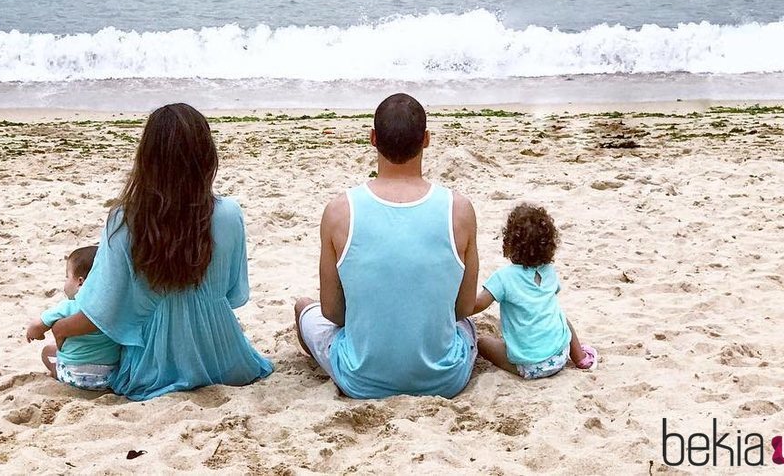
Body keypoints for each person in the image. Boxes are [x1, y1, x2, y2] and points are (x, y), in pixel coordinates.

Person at [47, 103, 273, 401]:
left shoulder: (125, 220)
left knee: (50, 353)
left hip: (155, 366)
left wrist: (60, 328)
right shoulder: (230, 214)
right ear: (206, 158)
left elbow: (103, 309)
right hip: (225, 357)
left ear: (147, 159)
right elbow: (233, 294)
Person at [294, 93, 479, 399]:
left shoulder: (340, 211)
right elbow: (462, 308)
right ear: (426, 140)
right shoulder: (459, 209)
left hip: (361, 379)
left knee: (304, 308)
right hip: (445, 379)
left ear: (373, 139)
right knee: (469, 325)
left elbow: (332, 312)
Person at [473, 202, 598, 379]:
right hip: (559, 356)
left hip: (530, 366)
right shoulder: (549, 271)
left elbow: (478, 304)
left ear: (509, 242)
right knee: (560, 316)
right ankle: (581, 358)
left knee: (483, 342)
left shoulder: (503, 277)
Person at [25, 245, 120, 390]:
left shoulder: (68, 306)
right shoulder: (114, 308)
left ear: (80, 282)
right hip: (109, 377)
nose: (65, 282)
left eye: (67, 277)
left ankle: (57, 373)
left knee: (47, 352)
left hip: (74, 376)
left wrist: (34, 334)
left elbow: (36, 326)